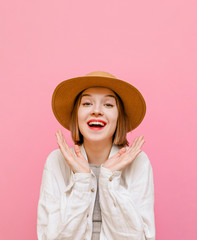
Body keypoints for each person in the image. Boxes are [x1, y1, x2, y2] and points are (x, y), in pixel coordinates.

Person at [37, 71, 155, 240]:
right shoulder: (56, 161)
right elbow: (49, 237)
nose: (97, 111)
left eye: (108, 105)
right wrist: (82, 179)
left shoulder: (139, 162)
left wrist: (109, 179)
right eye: (87, 103)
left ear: (119, 116)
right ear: (76, 114)